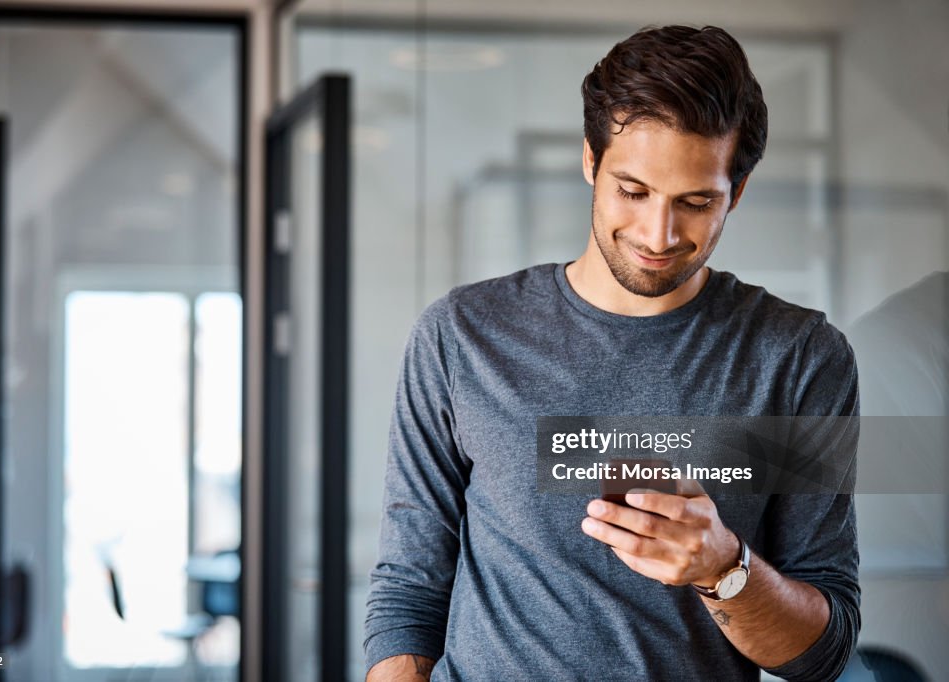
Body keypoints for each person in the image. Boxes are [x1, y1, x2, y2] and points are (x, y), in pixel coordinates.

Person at [364, 25, 859, 681]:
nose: (659, 233)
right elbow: (409, 584)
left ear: (735, 193)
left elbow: (821, 655)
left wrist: (724, 569)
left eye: (695, 202)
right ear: (591, 163)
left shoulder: (799, 358)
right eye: (633, 191)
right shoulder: (462, 334)